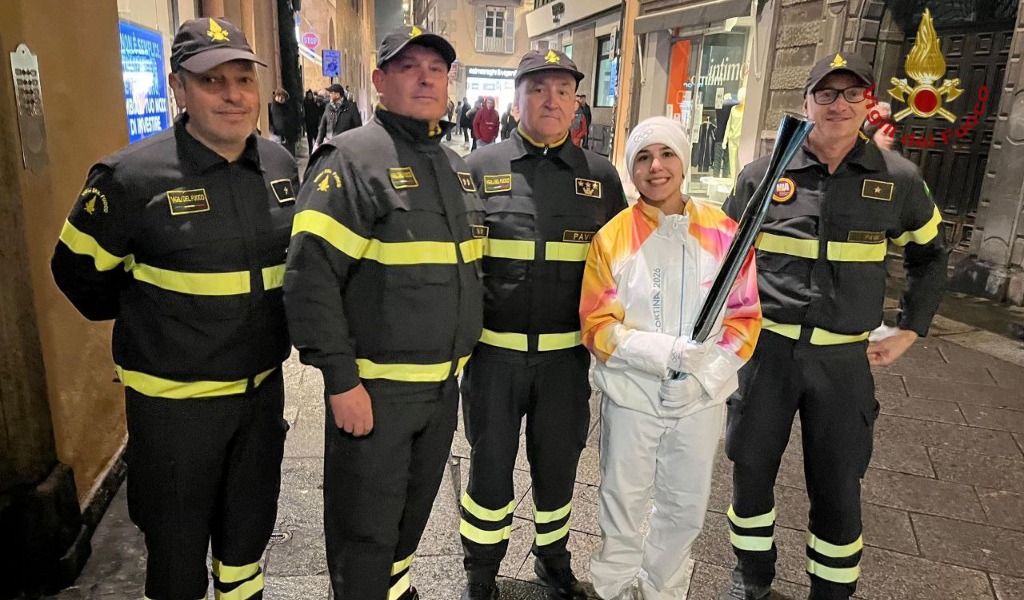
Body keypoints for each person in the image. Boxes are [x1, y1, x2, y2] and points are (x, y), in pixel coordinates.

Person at [51, 17, 296, 600]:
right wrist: (162, 323)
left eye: (243, 78)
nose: (233, 94)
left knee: (246, 543)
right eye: (212, 81)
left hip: (260, 398)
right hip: (174, 413)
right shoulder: (130, 178)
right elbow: (77, 276)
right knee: (176, 553)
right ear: (178, 89)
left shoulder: (281, 166)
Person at [718, 53, 948, 600]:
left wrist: (911, 330)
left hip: (844, 363)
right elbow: (721, 256)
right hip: (765, 355)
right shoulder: (762, 174)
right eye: (826, 94)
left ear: (869, 103)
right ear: (806, 104)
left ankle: (832, 589)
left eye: (851, 94)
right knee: (750, 472)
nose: (838, 104)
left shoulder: (898, 180)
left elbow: (932, 257)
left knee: (839, 484)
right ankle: (752, 577)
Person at [284, 25, 484, 600]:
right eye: (407, 66)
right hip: (375, 393)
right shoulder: (350, 160)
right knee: (364, 528)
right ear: (378, 81)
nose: (425, 77)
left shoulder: (450, 164)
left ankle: (395, 592)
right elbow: (310, 279)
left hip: (441, 390)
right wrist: (340, 380)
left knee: (411, 517)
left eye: (436, 68)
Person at [458, 49, 626, 600]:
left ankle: (552, 560)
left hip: (565, 361)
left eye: (562, 88)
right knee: (489, 472)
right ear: (516, 98)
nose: (550, 99)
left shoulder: (601, 178)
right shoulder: (478, 169)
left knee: (557, 468)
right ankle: (481, 572)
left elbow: (625, 270)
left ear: (577, 101)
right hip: (493, 358)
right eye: (537, 88)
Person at [580, 116, 761, 600]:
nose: (655, 167)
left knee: (684, 510)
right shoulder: (612, 238)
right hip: (632, 398)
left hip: (699, 404)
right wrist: (669, 354)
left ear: (683, 162)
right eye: (643, 157)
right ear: (632, 170)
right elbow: (598, 328)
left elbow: (745, 320)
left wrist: (705, 378)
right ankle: (614, 588)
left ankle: (662, 590)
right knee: (622, 501)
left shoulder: (726, 234)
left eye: (666, 154)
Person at [316, 82, 362, 147]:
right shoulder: (328, 107)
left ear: (337, 95)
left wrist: (355, 144)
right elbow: (322, 127)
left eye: (331, 93)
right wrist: (317, 143)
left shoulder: (351, 108)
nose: (329, 95)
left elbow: (358, 127)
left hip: (346, 146)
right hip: (330, 144)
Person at [269, 87, 300, 156]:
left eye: (282, 97)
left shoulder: (288, 108)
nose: (280, 98)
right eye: (279, 96)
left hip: (289, 137)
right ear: (276, 96)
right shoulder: (273, 107)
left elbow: (293, 120)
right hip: (278, 137)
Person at [304, 89, 325, 153]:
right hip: (308, 123)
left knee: (316, 137)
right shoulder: (305, 103)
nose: (310, 96)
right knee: (309, 138)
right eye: (309, 95)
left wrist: (320, 106)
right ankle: (310, 150)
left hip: (315, 123)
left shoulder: (314, 103)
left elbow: (319, 111)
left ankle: (316, 150)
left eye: (310, 95)